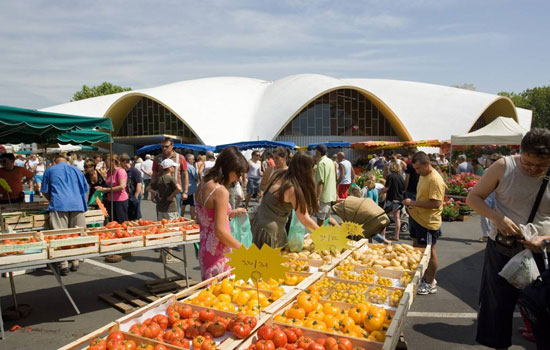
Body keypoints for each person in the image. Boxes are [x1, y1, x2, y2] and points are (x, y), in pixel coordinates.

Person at [466, 128, 550, 350]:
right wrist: (498, 217)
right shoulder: (504, 166)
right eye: (528, 163)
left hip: (543, 253)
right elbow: (473, 198)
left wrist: (546, 240)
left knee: (544, 309)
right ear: (520, 153)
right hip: (503, 249)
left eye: (541, 166)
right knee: (497, 309)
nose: (533, 169)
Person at [194, 146, 248, 280]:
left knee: (210, 292)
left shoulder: (203, 184)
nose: (237, 179)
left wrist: (229, 213)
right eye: (238, 173)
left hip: (205, 248)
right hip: (219, 252)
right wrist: (244, 251)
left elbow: (206, 217)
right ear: (229, 169)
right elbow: (220, 232)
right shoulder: (220, 191)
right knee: (223, 294)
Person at [252, 151, 319, 248]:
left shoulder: (278, 173)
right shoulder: (292, 188)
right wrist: (322, 235)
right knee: (272, 261)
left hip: (259, 224)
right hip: (271, 231)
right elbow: (304, 218)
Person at [403, 152, 446, 295]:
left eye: (418, 168)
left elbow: (436, 203)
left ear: (427, 164)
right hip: (417, 218)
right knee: (418, 249)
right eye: (415, 168)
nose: (417, 171)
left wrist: (414, 203)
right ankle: (425, 276)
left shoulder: (435, 179)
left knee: (429, 252)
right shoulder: (424, 175)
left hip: (428, 223)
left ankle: (430, 282)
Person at [41, 156, 89, 275]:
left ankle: (63, 263)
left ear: (54, 162)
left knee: (60, 234)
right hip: (77, 204)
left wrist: (53, 199)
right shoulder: (77, 170)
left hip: (59, 204)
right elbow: (85, 188)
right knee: (77, 234)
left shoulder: (50, 170)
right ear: (67, 162)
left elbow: (44, 191)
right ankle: (75, 260)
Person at [152, 138, 188, 214]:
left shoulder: (180, 158)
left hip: (175, 191)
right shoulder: (157, 158)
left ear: (172, 146)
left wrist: (185, 192)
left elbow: (185, 175)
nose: (164, 148)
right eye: (162, 147)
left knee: (175, 215)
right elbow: (154, 175)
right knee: (161, 215)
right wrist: (153, 192)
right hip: (161, 191)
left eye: (166, 146)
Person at [96, 154, 129, 224]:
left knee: (121, 222)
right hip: (110, 200)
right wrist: (102, 188)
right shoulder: (109, 172)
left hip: (120, 200)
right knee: (112, 222)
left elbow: (122, 186)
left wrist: (106, 190)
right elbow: (108, 184)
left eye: (106, 161)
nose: (105, 163)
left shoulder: (120, 171)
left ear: (113, 161)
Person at [381, 162, 405, 241]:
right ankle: (396, 235)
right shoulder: (401, 177)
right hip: (399, 199)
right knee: (397, 217)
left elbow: (387, 188)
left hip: (391, 199)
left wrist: (381, 191)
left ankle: (383, 235)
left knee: (385, 216)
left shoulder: (390, 176)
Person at [314, 144, 337, 225]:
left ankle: (320, 237)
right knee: (327, 217)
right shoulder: (330, 161)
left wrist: (317, 199)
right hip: (329, 194)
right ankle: (342, 232)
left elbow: (320, 182)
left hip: (323, 196)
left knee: (320, 220)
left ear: (319, 152)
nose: (315, 153)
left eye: (316, 151)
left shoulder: (321, 163)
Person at [121, 154, 142, 221]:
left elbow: (139, 185)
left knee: (136, 216)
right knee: (129, 216)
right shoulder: (123, 171)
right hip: (126, 196)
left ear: (124, 162)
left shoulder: (135, 171)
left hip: (133, 196)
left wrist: (135, 197)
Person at [183, 153, 199, 220]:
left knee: (183, 203)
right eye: (193, 159)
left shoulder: (183, 165)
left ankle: (181, 216)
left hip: (184, 187)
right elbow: (195, 177)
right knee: (192, 204)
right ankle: (192, 218)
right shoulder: (191, 167)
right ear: (189, 159)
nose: (194, 161)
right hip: (191, 188)